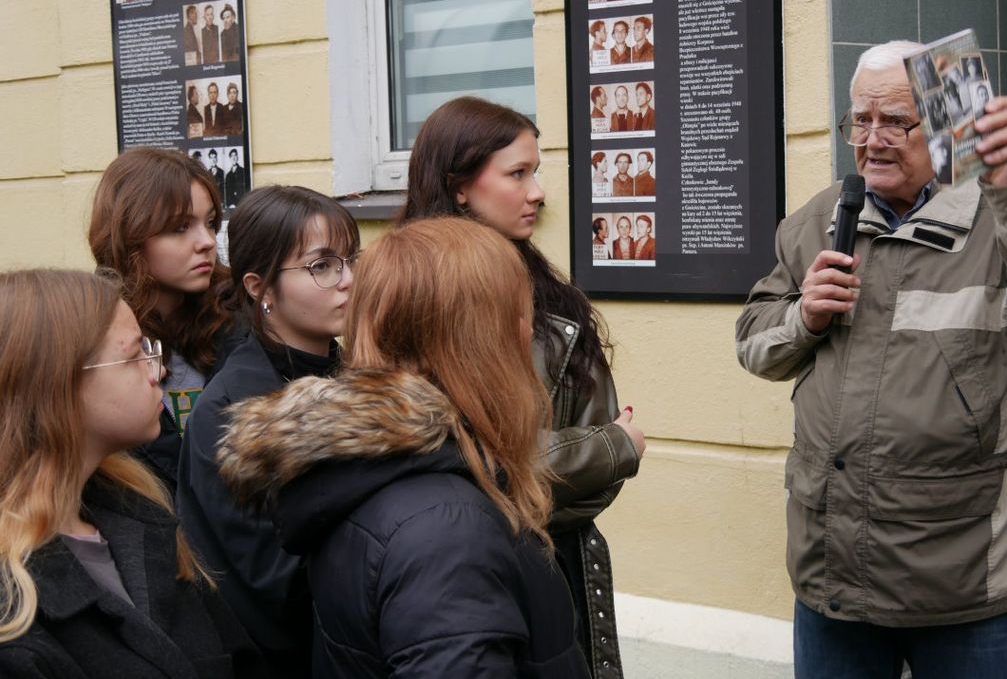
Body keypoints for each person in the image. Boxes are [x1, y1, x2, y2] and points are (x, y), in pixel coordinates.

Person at [735, 41, 1007, 679]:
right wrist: (802, 318)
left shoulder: (1005, 221)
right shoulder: (815, 222)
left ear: (943, 127)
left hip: (972, 588)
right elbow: (753, 340)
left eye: (897, 121)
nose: (873, 138)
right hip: (836, 583)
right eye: (860, 120)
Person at [217, 218, 591, 677]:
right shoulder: (446, 531)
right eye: (519, 311)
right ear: (484, 342)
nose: (528, 330)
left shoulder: (384, 470)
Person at [397, 98, 645, 676]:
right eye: (517, 174)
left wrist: (582, 461)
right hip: (457, 577)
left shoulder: (548, 298)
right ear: (459, 187)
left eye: (535, 171)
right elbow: (462, 468)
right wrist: (615, 447)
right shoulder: (412, 298)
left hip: (559, 565)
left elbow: (568, 483)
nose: (537, 192)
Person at [0, 269, 265, 677]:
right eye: (133, 354)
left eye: (149, 347)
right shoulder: (14, 614)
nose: (156, 370)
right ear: (56, 383)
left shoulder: (136, 510)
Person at [179, 186, 359, 678]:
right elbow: (271, 586)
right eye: (322, 266)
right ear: (258, 287)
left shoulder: (353, 376)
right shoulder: (232, 412)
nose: (348, 280)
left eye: (350, 259)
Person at [88, 148, 236, 491]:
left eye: (211, 223)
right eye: (180, 227)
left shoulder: (238, 322)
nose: (207, 242)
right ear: (129, 234)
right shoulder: (91, 343)